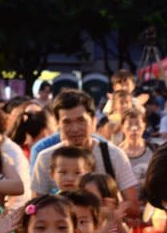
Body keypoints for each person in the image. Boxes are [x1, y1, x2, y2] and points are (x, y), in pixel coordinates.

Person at [32, 89, 140, 217]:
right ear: (57, 124)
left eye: (81, 121)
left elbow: (134, 209)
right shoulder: (45, 158)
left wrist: (113, 207)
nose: (75, 129)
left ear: (93, 121)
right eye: (67, 122)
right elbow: (34, 208)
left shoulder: (113, 155)